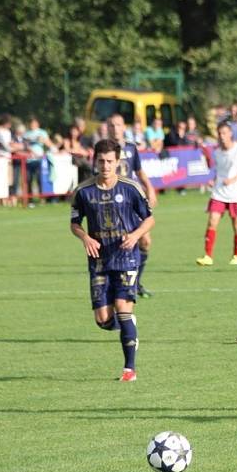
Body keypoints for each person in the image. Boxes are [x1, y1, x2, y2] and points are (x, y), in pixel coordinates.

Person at [69, 139, 155, 382]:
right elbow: (74, 223)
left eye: (109, 161)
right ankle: (128, 326)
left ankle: (129, 369)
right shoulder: (84, 191)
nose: (105, 166)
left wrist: (136, 235)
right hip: (98, 260)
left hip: (127, 257)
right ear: (95, 160)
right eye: (101, 161)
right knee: (103, 319)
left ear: (118, 162)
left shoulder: (130, 188)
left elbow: (149, 219)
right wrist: (85, 237)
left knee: (123, 308)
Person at [108, 113, 158, 298]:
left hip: (132, 201)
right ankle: (117, 286)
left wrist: (150, 189)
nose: (115, 128)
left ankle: (136, 283)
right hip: (112, 205)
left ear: (123, 127)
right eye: (112, 125)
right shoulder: (104, 150)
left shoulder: (131, 148)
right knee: (120, 245)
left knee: (145, 241)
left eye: (118, 125)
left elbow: (139, 171)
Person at [196, 122, 237, 267]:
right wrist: (213, 181)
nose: (221, 136)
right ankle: (208, 256)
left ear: (230, 134)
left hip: (236, 193)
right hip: (219, 192)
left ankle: (236, 256)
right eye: (219, 134)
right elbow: (219, 172)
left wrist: (234, 181)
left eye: (224, 133)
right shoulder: (217, 152)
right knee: (212, 221)